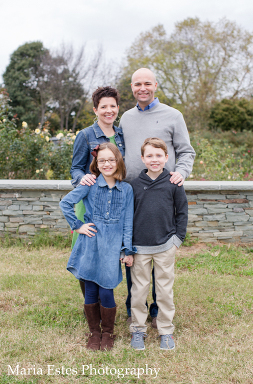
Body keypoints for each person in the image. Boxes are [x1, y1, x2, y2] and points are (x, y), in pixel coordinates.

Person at [81, 68, 196, 327]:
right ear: (132, 88)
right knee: (135, 251)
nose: (142, 88)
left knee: (161, 252)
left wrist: (180, 173)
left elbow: (186, 151)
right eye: (137, 84)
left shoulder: (173, 115)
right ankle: (136, 309)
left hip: (163, 191)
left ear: (155, 85)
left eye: (147, 83)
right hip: (131, 194)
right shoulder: (127, 118)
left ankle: (158, 310)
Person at [60, 143, 135, 351]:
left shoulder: (126, 189)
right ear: (96, 163)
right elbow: (65, 203)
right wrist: (78, 226)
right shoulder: (89, 184)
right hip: (90, 245)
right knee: (91, 290)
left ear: (118, 161)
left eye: (111, 160)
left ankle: (108, 332)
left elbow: (128, 222)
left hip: (111, 247)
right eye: (102, 160)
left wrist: (127, 250)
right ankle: (94, 332)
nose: (107, 164)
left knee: (107, 290)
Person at [128, 138, 188, 351]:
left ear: (166, 157)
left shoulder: (174, 183)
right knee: (139, 291)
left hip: (165, 246)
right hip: (139, 248)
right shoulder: (133, 185)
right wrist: (127, 246)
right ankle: (138, 329)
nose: (154, 160)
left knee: (164, 290)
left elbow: (182, 213)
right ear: (143, 158)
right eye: (150, 156)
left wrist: (177, 240)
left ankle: (166, 331)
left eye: (159, 155)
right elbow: (128, 218)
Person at [69, 87, 126, 298]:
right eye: (103, 107)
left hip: (114, 202)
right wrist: (80, 178)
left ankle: (105, 301)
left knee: (107, 249)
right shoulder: (85, 135)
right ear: (95, 109)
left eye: (112, 106)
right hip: (89, 203)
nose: (108, 110)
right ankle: (90, 304)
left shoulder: (121, 135)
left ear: (118, 108)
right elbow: (75, 167)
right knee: (87, 251)